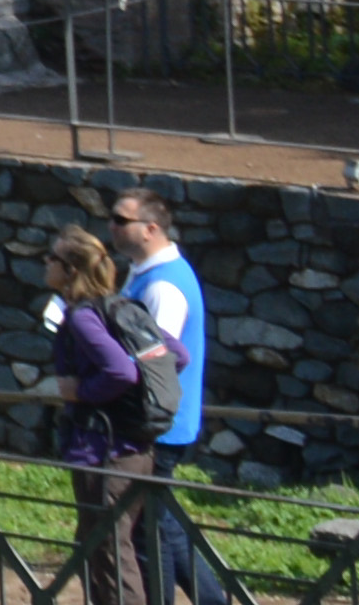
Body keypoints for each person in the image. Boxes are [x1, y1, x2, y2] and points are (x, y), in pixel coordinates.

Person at [105, 185, 237, 605]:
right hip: (162, 422)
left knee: (149, 535)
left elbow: (157, 362)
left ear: (150, 228)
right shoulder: (144, 272)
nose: (111, 225)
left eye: (120, 219)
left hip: (158, 426)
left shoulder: (163, 287)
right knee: (164, 527)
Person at [41, 221, 155, 605]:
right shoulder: (121, 307)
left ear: (70, 270)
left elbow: (121, 371)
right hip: (136, 448)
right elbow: (177, 355)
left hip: (102, 451)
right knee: (101, 546)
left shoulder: (83, 317)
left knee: (110, 553)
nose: (45, 263)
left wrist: (83, 394)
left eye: (51, 258)